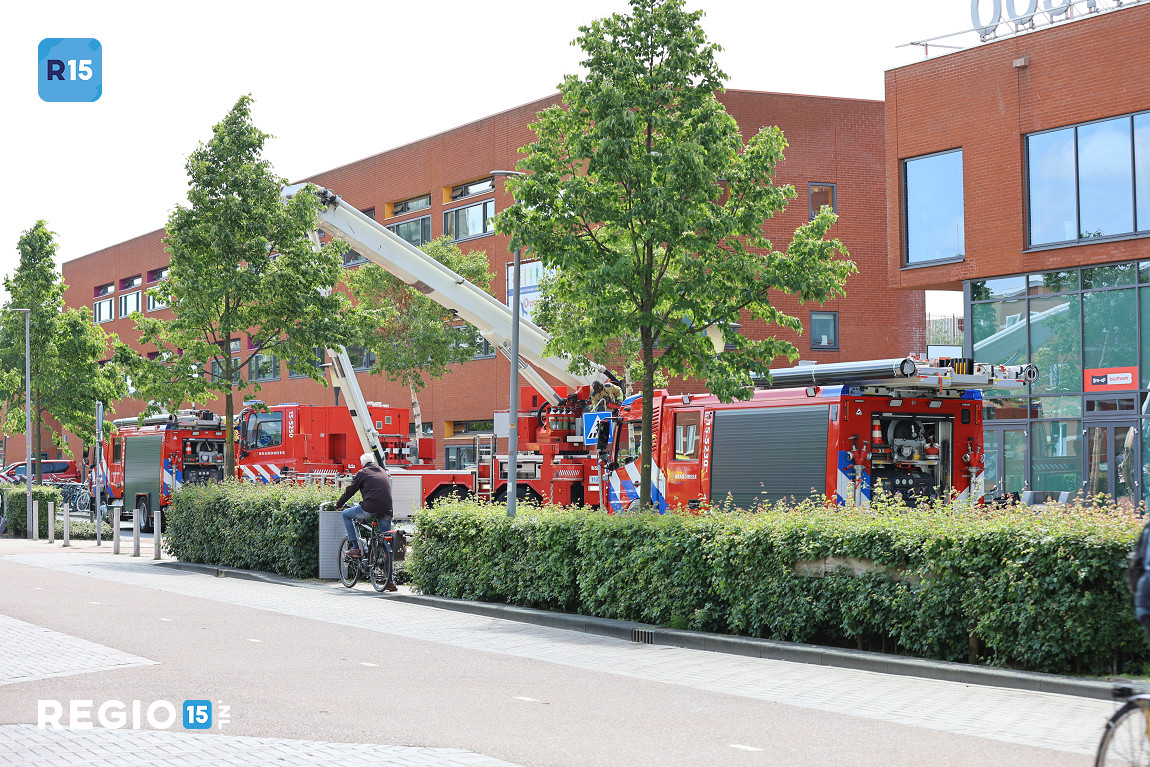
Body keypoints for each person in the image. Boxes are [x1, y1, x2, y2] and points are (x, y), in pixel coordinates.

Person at [335, 452, 396, 591]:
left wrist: (339, 504)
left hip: (370, 507)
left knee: (346, 515)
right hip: (387, 509)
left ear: (362, 463)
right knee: (385, 541)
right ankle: (390, 581)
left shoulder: (362, 472)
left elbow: (350, 490)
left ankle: (356, 546)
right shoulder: (382, 471)